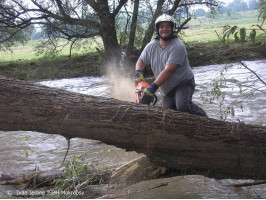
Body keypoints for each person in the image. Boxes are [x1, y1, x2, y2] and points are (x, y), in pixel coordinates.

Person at [135, 13, 208, 117]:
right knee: (169, 115)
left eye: (168, 26)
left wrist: (152, 88)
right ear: (157, 29)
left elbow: (168, 70)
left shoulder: (178, 46)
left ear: (172, 28)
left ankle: (205, 118)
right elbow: (140, 61)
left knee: (182, 106)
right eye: (162, 26)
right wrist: (138, 73)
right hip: (166, 87)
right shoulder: (151, 46)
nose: (165, 29)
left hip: (183, 82)